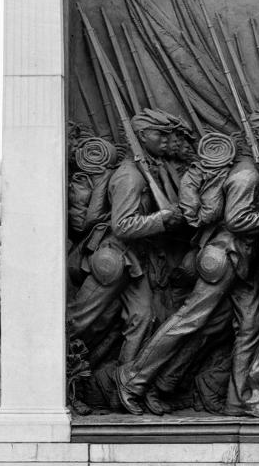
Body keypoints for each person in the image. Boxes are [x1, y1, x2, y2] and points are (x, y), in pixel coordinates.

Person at [120, 114, 259, 415]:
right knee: (188, 321)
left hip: (244, 261)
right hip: (224, 256)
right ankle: (132, 379)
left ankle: (238, 398)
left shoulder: (250, 170)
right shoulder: (246, 175)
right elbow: (237, 219)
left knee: (250, 326)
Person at [66, 111, 192, 386]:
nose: (165, 140)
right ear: (142, 137)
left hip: (133, 260)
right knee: (80, 321)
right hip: (113, 258)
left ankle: (123, 382)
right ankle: (49, 373)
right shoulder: (129, 177)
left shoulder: (147, 170)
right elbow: (123, 226)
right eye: (159, 134)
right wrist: (160, 220)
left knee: (143, 317)